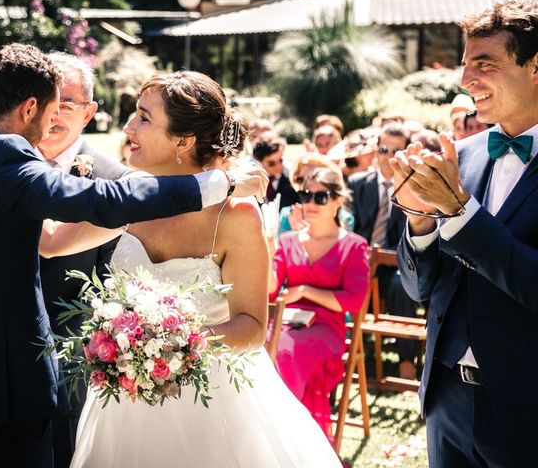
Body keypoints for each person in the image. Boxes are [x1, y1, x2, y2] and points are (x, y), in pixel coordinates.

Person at [0, 44, 267, 466]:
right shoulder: (5, 164)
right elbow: (60, 234)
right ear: (30, 107)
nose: (56, 122)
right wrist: (219, 182)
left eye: (143, 117)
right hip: (11, 402)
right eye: (54, 110)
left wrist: (171, 344)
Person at [40, 71, 342, 468]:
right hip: (127, 399)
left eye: (144, 118)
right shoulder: (132, 197)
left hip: (217, 401)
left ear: (183, 141)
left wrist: (175, 344)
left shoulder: (236, 215)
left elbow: (251, 325)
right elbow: (51, 244)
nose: (129, 126)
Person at [392, 0, 538, 467]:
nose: (465, 80)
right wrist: (418, 221)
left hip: (527, 407)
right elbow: (420, 288)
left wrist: (458, 210)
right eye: (465, 64)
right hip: (447, 401)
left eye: (485, 64)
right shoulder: (463, 155)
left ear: (535, 67)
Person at [36, 52, 132, 468]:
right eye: (45, 100)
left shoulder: (116, 183)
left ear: (90, 112)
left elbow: (114, 283)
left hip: (70, 365)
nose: (53, 113)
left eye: (67, 104)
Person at [269, 166, 369, 441]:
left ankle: (286, 435)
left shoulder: (354, 245)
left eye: (320, 197)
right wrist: (267, 248)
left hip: (326, 329)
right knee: (263, 346)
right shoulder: (286, 241)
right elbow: (270, 292)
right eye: (306, 195)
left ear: (337, 200)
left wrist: (303, 290)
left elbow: (353, 300)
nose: (311, 203)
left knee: (283, 351)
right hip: (285, 323)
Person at [348, 122, 421, 380]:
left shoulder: (414, 189)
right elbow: (349, 225)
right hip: (358, 262)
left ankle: (405, 359)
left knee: (403, 285)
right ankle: (344, 351)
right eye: (383, 149)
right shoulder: (357, 183)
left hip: (394, 265)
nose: (388, 157)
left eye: (395, 151)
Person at [253, 134, 298, 209]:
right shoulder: (254, 181)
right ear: (260, 161)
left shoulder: (292, 179)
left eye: (280, 160)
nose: (278, 166)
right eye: (271, 163)